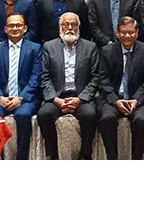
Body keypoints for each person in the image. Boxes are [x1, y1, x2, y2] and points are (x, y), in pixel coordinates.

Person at [37, 13, 100, 160]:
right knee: (44, 114)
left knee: (90, 114)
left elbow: (96, 77)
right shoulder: (49, 46)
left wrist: (80, 99)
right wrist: (55, 99)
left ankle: (85, 154)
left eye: (74, 24)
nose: (70, 28)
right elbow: (44, 77)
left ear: (79, 27)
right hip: (58, 97)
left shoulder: (90, 47)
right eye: (66, 24)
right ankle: (52, 155)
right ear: (60, 27)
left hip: (81, 96)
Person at [97, 17, 144, 160]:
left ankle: (136, 159)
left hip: (139, 99)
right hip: (114, 98)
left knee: (141, 120)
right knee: (106, 118)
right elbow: (103, 81)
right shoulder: (107, 51)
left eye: (131, 33)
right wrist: (116, 101)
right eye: (123, 33)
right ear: (118, 34)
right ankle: (112, 158)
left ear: (137, 33)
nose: (127, 36)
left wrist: (136, 100)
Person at [0, 14, 42, 159]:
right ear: (5, 29)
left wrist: (20, 98)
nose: (15, 28)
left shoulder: (35, 49)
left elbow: (35, 78)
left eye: (18, 25)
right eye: (11, 25)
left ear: (25, 28)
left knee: (23, 115)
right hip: (2, 98)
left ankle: (21, 158)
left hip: (25, 99)